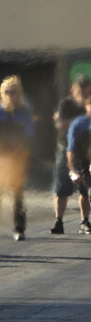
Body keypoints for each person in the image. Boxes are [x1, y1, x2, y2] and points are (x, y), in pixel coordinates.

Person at [0, 75, 34, 242]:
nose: (11, 95)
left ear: (19, 93)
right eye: (7, 92)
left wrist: (18, 157)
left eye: (14, 92)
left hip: (17, 157)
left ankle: (19, 229)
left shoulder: (25, 113)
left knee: (18, 195)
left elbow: (29, 137)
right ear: (2, 93)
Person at [49, 75, 91, 234]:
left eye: (85, 87)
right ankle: (59, 221)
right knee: (61, 188)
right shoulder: (66, 104)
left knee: (85, 188)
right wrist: (79, 120)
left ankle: (85, 221)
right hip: (65, 148)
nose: (82, 90)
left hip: (86, 151)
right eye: (79, 87)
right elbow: (60, 124)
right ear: (73, 88)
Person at [63, 95, 91, 234]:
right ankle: (84, 221)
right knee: (85, 193)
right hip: (82, 161)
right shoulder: (79, 123)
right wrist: (73, 169)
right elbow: (71, 149)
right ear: (87, 107)